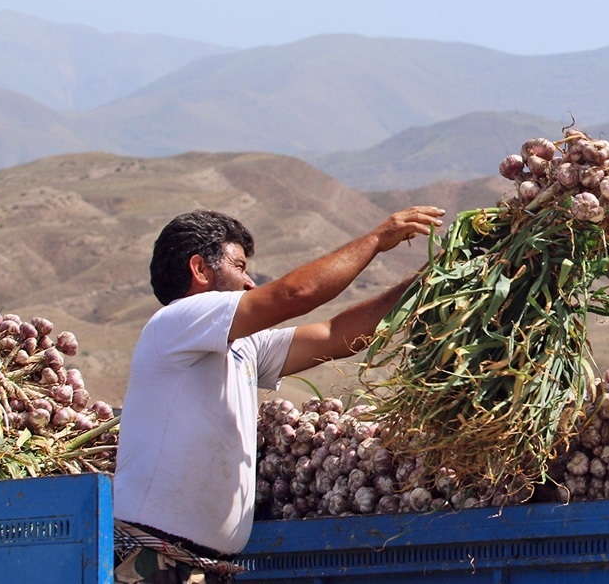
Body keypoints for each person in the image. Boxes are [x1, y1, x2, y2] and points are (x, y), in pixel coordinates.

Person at [112, 205, 444, 583]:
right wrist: (375, 241)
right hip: (155, 563)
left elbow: (337, 336)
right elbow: (293, 294)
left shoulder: (243, 346)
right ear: (200, 269)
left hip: (200, 567)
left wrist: (427, 281)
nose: (250, 282)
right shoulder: (176, 321)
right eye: (239, 267)